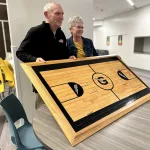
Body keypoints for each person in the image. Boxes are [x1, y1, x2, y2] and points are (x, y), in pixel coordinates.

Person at [16, 2, 69, 109]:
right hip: (42, 83)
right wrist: (34, 59)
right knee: (43, 116)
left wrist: (70, 56)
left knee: (59, 113)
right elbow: (20, 52)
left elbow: (64, 53)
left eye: (62, 14)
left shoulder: (60, 33)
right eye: (57, 13)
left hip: (60, 82)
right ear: (46, 15)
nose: (62, 17)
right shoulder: (35, 32)